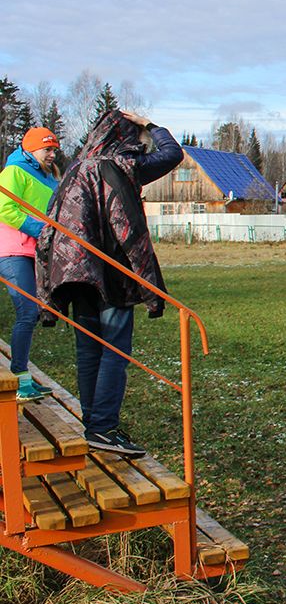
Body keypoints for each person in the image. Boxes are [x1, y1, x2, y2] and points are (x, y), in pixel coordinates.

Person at [37, 109, 183, 457]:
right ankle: (103, 427)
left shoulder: (75, 168)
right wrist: (150, 125)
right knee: (114, 351)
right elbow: (172, 154)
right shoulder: (121, 165)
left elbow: (50, 224)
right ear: (125, 137)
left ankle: (94, 425)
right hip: (110, 272)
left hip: (73, 273)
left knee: (89, 351)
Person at [0, 127, 61, 400]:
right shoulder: (14, 171)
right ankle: (20, 380)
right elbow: (4, 208)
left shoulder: (49, 177)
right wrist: (41, 231)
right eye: (47, 149)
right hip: (11, 250)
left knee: (32, 313)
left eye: (54, 150)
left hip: (32, 251)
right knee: (27, 311)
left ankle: (23, 377)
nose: (52, 154)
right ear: (30, 149)